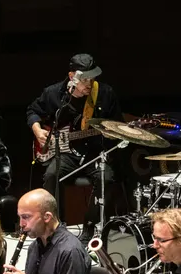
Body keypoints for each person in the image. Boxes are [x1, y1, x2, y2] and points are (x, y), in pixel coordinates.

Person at [26, 53, 122, 243]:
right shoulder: (53, 93)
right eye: (84, 79)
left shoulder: (104, 93)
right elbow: (33, 111)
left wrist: (114, 133)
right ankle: (53, 226)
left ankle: (89, 226)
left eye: (92, 78)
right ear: (72, 77)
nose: (89, 83)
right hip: (65, 153)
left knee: (108, 178)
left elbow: (118, 124)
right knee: (51, 175)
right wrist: (37, 129)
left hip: (94, 153)